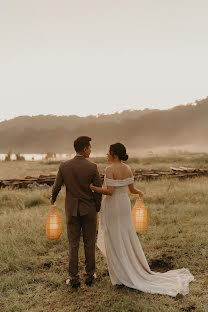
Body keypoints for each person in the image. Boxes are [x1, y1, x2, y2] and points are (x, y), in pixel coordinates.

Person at [90, 142, 194, 297]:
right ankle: (128, 268)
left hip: (113, 205)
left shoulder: (109, 169)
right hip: (124, 203)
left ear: (114, 154)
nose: (106, 154)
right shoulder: (127, 168)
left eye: (108, 152)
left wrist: (93, 188)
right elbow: (131, 190)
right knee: (125, 234)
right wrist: (139, 192)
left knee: (114, 236)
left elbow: (109, 191)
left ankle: (120, 276)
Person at [51, 136, 102, 288]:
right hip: (89, 210)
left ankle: (73, 278)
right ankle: (90, 275)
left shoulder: (64, 166)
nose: (91, 150)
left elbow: (57, 186)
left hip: (72, 210)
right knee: (89, 243)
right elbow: (98, 190)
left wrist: (52, 198)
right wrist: (97, 206)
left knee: (73, 244)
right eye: (90, 148)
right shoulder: (92, 167)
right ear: (85, 149)